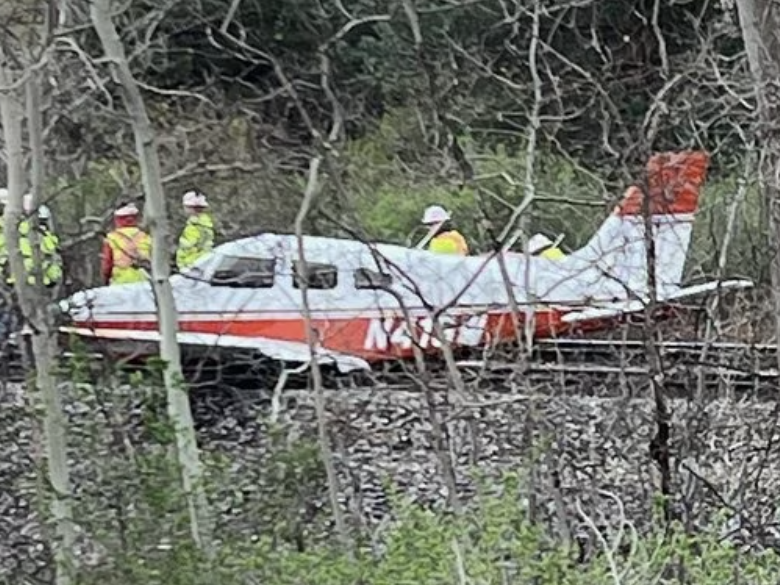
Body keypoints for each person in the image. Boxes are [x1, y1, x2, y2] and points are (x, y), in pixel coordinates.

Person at [101, 202, 152, 285]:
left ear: (117, 219)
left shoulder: (111, 238)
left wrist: (105, 280)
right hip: (144, 281)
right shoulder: (146, 237)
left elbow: (107, 265)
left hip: (120, 282)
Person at [176, 190, 214, 271]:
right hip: (204, 262)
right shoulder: (207, 224)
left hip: (191, 265)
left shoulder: (193, 227)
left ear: (191, 208)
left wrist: (182, 264)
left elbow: (186, 247)